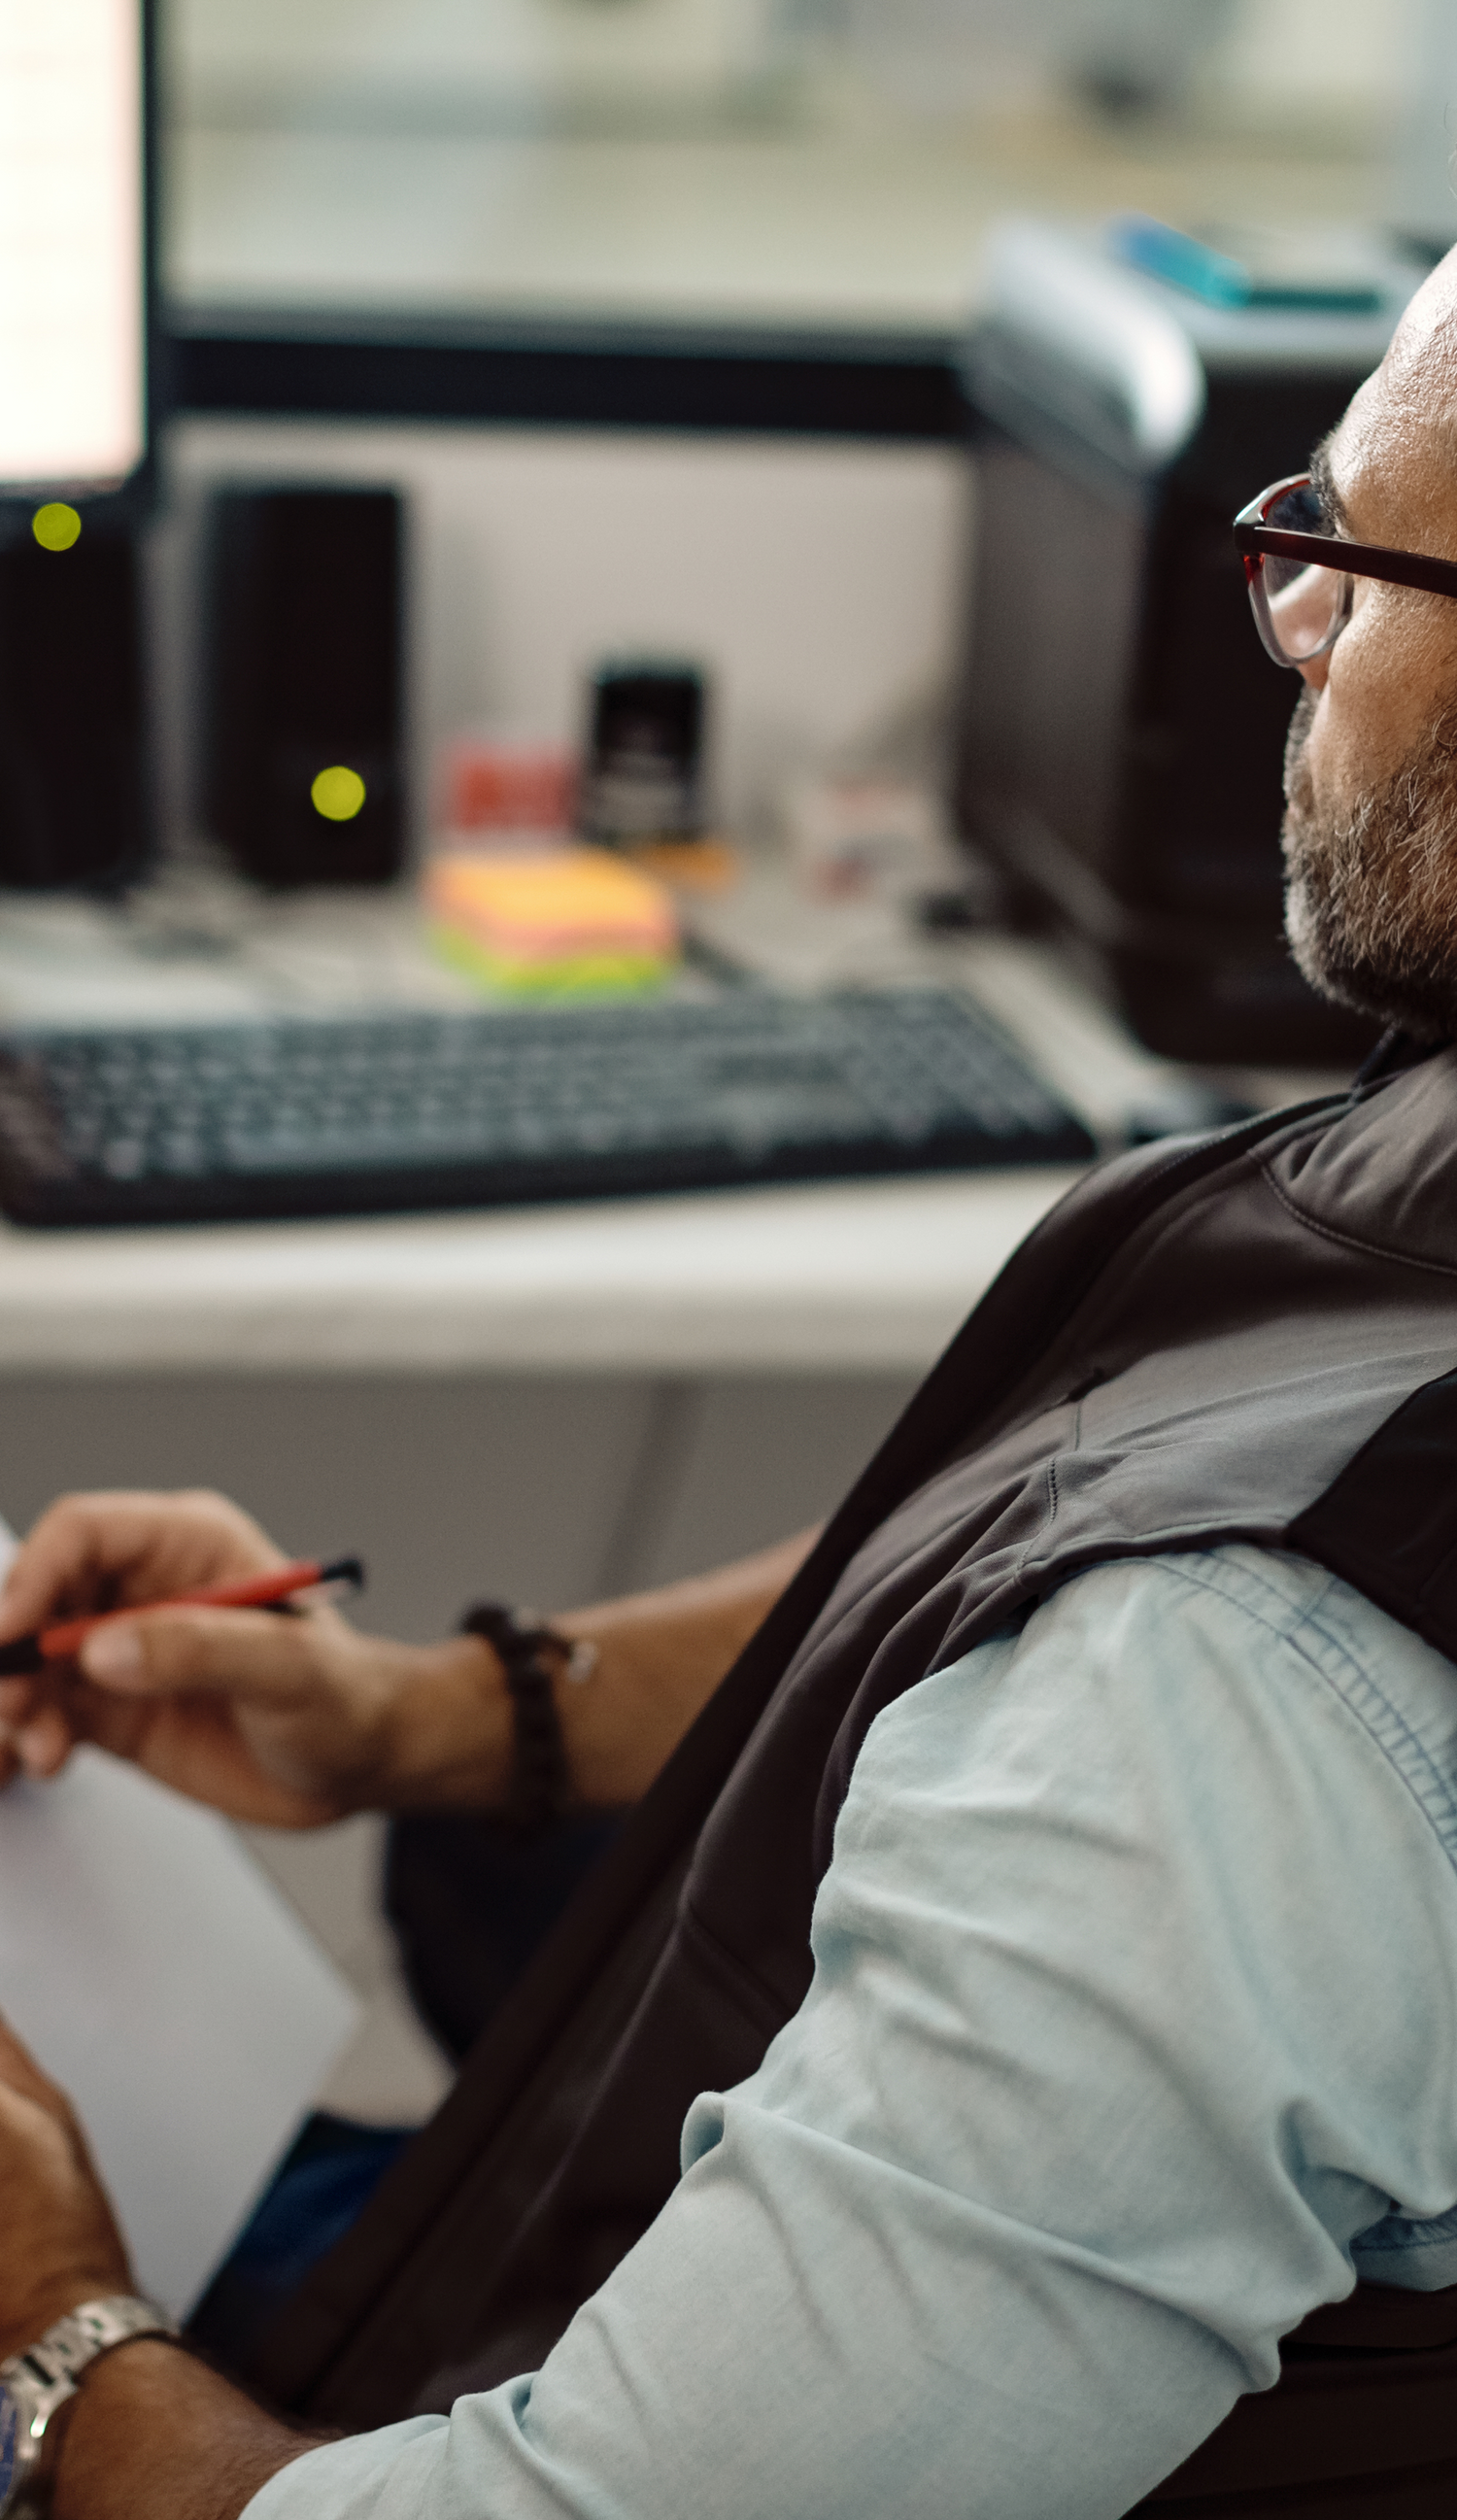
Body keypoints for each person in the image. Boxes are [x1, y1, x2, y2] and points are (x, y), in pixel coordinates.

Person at [8, 248, 1457, 2520]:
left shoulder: (1238, 1698)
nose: (1296, 628)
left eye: (1350, 559)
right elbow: (1062, 1534)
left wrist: (50, 2316)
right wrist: (441, 1715)